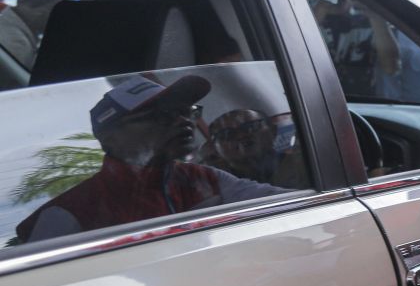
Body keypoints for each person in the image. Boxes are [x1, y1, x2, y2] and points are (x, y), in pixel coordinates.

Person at [17, 74, 292, 242]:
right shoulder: (69, 212)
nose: (184, 122)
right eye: (163, 115)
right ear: (111, 136)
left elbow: (285, 203)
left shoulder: (203, 177)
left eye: (188, 111)